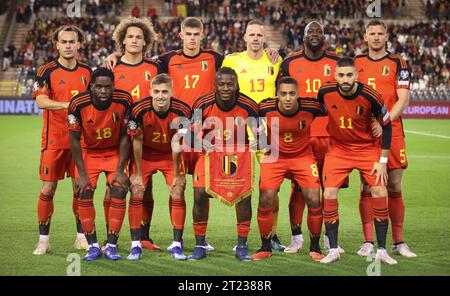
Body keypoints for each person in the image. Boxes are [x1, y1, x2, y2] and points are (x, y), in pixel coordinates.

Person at [173, 67, 258, 261]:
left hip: (238, 156)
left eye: (230, 84)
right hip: (210, 154)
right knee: (200, 192)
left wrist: (256, 143)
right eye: (222, 84)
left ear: (236, 85)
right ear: (215, 85)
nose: (226, 88)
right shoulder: (203, 104)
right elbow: (189, 136)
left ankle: (242, 246)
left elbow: (261, 136)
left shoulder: (249, 105)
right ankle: (200, 244)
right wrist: (199, 141)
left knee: (244, 196)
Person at [318, 57, 397, 265]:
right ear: (335, 76)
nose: (345, 79)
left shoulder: (371, 95)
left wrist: (382, 160)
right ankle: (333, 249)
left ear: (356, 75)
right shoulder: (325, 93)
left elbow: (387, 126)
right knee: (328, 193)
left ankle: (381, 250)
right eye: (341, 75)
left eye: (349, 75)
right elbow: (320, 110)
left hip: (366, 150)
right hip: (338, 150)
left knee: (380, 191)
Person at [221, 19, 284, 251]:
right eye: (252, 34)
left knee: (271, 188)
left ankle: (272, 235)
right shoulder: (231, 60)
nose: (256, 38)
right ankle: (243, 239)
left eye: (260, 34)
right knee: (241, 186)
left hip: (269, 130)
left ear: (264, 38)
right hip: (239, 129)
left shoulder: (276, 61)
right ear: (245, 37)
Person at [279, 21, 342, 253]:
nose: (314, 35)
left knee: (329, 189)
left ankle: (328, 237)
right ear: (303, 36)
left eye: (318, 32)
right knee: (298, 189)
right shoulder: (290, 62)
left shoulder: (336, 62)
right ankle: (296, 238)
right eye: (310, 32)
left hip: (330, 136)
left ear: (324, 36)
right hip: (300, 137)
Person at [354, 20, 416, 258]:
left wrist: (384, 121)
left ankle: (398, 242)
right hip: (365, 133)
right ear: (365, 36)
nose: (377, 37)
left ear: (387, 36)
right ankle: (368, 241)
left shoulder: (398, 62)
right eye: (372, 33)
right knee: (368, 185)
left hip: (392, 129)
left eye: (381, 33)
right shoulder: (357, 63)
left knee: (394, 185)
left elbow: (403, 98)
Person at [32, 25, 92, 255]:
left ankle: (80, 237)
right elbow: (42, 102)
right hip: (54, 141)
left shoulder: (87, 71)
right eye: (63, 42)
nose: (68, 46)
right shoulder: (45, 70)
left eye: (72, 42)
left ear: (79, 44)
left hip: (80, 142)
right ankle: (44, 240)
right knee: (48, 188)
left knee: (81, 188)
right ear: (56, 44)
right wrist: (70, 105)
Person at [252, 77, 325, 262]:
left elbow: (336, 105)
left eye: (292, 94)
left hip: (303, 157)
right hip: (275, 156)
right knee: (265, 198)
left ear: (298, 94)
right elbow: (250, 115)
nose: (287, 98)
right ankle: (265, 247)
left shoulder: (311, 107)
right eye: (283, 94)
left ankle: (315, 247)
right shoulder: (265, 107)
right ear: (277, 95)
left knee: (314, 199)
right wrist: (261, 139)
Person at [68, 68, 132, 261]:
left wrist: (121, 169)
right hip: (89, 152)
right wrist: (82, 174)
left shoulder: (124, 100)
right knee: (84, 189)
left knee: (120, 189)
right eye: (99, 87)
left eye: (107, 87)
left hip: (113, 152)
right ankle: (93, 246)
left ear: (113, 86)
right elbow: (74, 139)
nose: (103, 91)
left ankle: (111, 245)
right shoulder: (78, 103)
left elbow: (125, 136)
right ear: (91, 87)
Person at [127, 74, 191, 260]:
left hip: (170, 155)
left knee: (178, 189)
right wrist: (138, 173)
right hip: (145, 155)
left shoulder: (183, 111)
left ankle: (177, 245)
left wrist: (179, 173)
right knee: (137, 189)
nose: (160, 96)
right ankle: (135, 245)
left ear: (172, 92)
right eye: (156, 91)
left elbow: (178, 143)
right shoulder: (138, 110)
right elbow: (137, 141)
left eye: (164, 92)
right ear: (150, 92)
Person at [111, 16, 161, 252]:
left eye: (138, 37)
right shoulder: (111, 67)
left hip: (147, 136)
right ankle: (112, 238)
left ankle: (144, 235)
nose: (134, 40)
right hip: (118, 137)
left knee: (145, 187)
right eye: (129, 36)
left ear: (145, 42)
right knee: (115, 186)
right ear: (122, 40)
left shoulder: (154, 68)